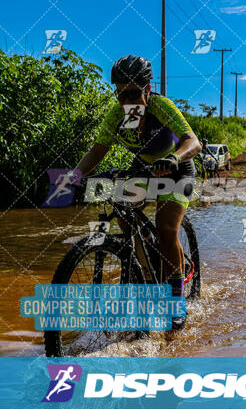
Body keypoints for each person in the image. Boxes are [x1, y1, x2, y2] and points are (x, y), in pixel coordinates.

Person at [74, 55, 201, 330]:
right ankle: (148, 268)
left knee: (166, 228)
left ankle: (176, 300)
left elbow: (194, 142)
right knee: (123, 213)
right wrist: (74, 176)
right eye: (120, 93)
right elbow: (98, 150)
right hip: (144, 166)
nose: (126, 100)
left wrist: (174, 159)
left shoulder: (161, 106)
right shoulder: (117, 115)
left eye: (132, 93)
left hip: (178, 167)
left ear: (148, 89)